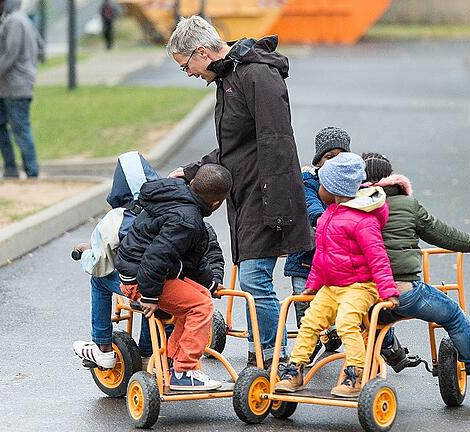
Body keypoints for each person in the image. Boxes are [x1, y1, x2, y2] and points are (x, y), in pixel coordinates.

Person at [166, 16, 312, 368]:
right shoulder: (228, 77)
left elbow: (277, 143)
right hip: (247, 194)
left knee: (253, 279)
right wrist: (192, 171)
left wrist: (275, 208)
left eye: (186, 66)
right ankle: (264, 357)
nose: (188, 73)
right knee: (251, 281)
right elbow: (234, 148)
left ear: (201, 53)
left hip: (268, 195)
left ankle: (270, 360)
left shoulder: (257, 74)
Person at [363, 152, 470, 396]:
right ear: (391, 178)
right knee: (452, 314)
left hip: (365, 296)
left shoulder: (350, 207)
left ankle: (390, 349)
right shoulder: (406, 205)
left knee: (373, 319)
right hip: (403, 292)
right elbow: (442, 234)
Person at [72, 154, 226, 370]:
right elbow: (207, 256)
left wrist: (151, 295)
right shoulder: (196, 219)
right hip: (176, 280)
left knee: (102, 279)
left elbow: (140, 259)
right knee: (161, 287)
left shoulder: (143, 211)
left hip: (151, 281)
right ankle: (154, 354)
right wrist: (212, 282)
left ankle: (104, 347)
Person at [274, 153, 400, 398]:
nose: (319, 187)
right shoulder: (330, 215)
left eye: (323, 184)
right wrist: (312, 285)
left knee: (346, 323)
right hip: (332, 286)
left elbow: (378, 256)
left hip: (361, 286)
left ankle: (356, 371)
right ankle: (296, 368)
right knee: (310, 322)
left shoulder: (363, 220)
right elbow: (322, 256)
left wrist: (388, 291)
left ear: (334, 189)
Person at [114, 163, 232, 391]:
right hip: (142, 278)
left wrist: (210, 283)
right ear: (216, 203)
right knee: (201, 307)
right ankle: (184, 371)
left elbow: (190, 260)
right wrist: (149, 296)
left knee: (201, 295)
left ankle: (170, 362)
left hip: (148, 271)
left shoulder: (177, 197)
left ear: (192, 183)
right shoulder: (187, 220)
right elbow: (156, 257)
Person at [283, 126, 352, 359]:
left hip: (338, 259)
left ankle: (390, 349)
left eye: (340, 157)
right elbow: (310, 204)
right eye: (328, 157)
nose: (334, 162)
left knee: (353, 303)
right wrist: (322, 220)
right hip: (306, 257)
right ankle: (308, 344)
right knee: (304, 301)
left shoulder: (351, 185)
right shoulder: (309, 183)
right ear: (318, 161)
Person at [0, 0, 44, 179]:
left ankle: (32, 172)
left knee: (21, 129)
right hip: (9, 88)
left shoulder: (14, 21)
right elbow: (40, 45)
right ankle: (11, 169)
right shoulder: (23, 20)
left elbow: (9, 56)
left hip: (16, 87)